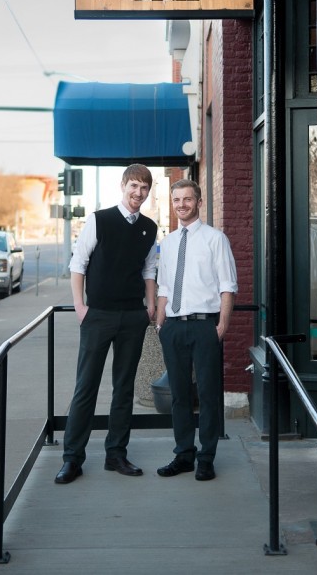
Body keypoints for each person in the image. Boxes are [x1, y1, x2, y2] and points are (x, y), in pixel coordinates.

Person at [54, 164, 157, 484]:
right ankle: (73, 458)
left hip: (132, 317)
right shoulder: (99, 220)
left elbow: (149, 270)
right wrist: (81, 307)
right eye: (134, 186)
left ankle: (116, 454)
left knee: (123, 389)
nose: (138, 193)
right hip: (97, 315)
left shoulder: (150, 228)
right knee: (85, 388)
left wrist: (150, 306)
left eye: (144, 188)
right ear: (123, 186)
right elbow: (78, 264)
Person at [155, 179, 237, 481]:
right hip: (173, 327)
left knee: (208, 393)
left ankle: (206, 457)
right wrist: (161, 323)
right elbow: (164, 286)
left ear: (199, 202)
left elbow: (228, 285)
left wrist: (223, 325)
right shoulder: (170, 242)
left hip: (205, 326)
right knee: (178, 396)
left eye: (187, 199)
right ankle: (184, 454)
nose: (181, 205)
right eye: (177, 200)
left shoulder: (216, 239)